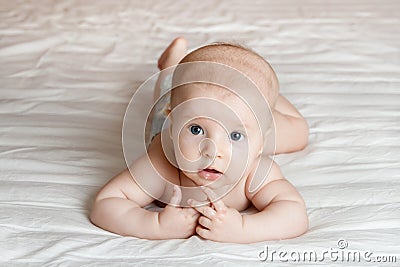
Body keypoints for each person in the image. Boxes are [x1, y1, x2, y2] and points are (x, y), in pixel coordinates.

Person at [90, 37, 309, 243]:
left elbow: (294, 214)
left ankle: (263, 94)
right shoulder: (162, 164)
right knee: (167, 91)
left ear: (261, 144)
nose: (212, 151)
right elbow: (105, 204)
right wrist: (157, 225)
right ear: (174, 123)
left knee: (299, 133)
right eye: (196, 129)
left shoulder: (256, 171)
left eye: (235, 136)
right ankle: (172, 64)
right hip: (168, 113)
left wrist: (243, 228)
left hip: (249, 118)